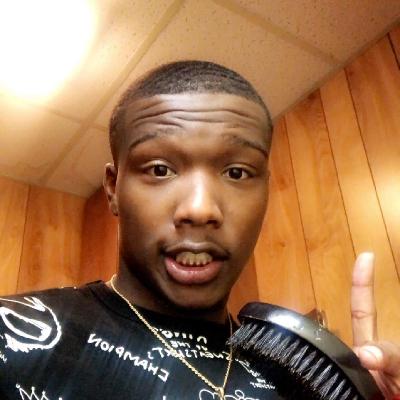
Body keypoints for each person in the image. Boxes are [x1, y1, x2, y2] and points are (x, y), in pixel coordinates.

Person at [0, 61, 398, 400]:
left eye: (237, 172)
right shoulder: (11, 333)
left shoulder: (297, 379)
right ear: (113, 189)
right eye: (160, 169)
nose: (200, 209)